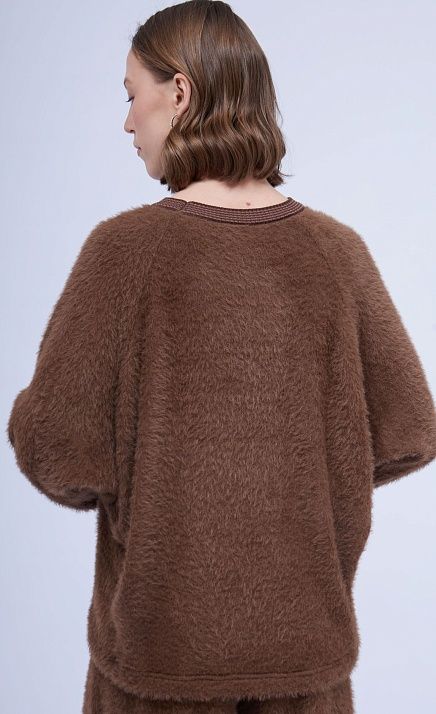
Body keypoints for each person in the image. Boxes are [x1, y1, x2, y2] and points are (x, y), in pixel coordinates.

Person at [7, 2, 436, 713]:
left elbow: (54, 449)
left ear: (179, 92)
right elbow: (409, 429)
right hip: (306, 666)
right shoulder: (338, 255)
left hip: (159, 669)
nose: (126, 122)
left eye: (131, 94)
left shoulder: (124, 253)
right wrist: (300, 489)